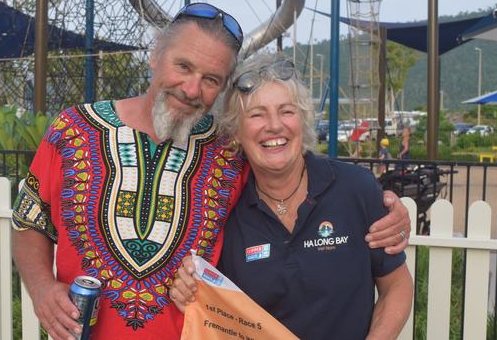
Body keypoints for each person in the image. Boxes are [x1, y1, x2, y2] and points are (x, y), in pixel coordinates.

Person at [11, 3, 411, 340]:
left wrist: (387, 211)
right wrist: (42, 287)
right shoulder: (71, 131)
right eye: (182, 66)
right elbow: (29, 222)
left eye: (210, 80)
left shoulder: (227, 152)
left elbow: (292, 175)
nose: (191, 88)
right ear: (154, 56)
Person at [170, 53, 413, 339]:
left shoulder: (355, 189)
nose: (274, 125)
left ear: (303, 120)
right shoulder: (222, 207)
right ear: (235, 132)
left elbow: (396, 285)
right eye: (257, 114)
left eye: (286, 111)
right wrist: (186, 287)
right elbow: (212, 303)